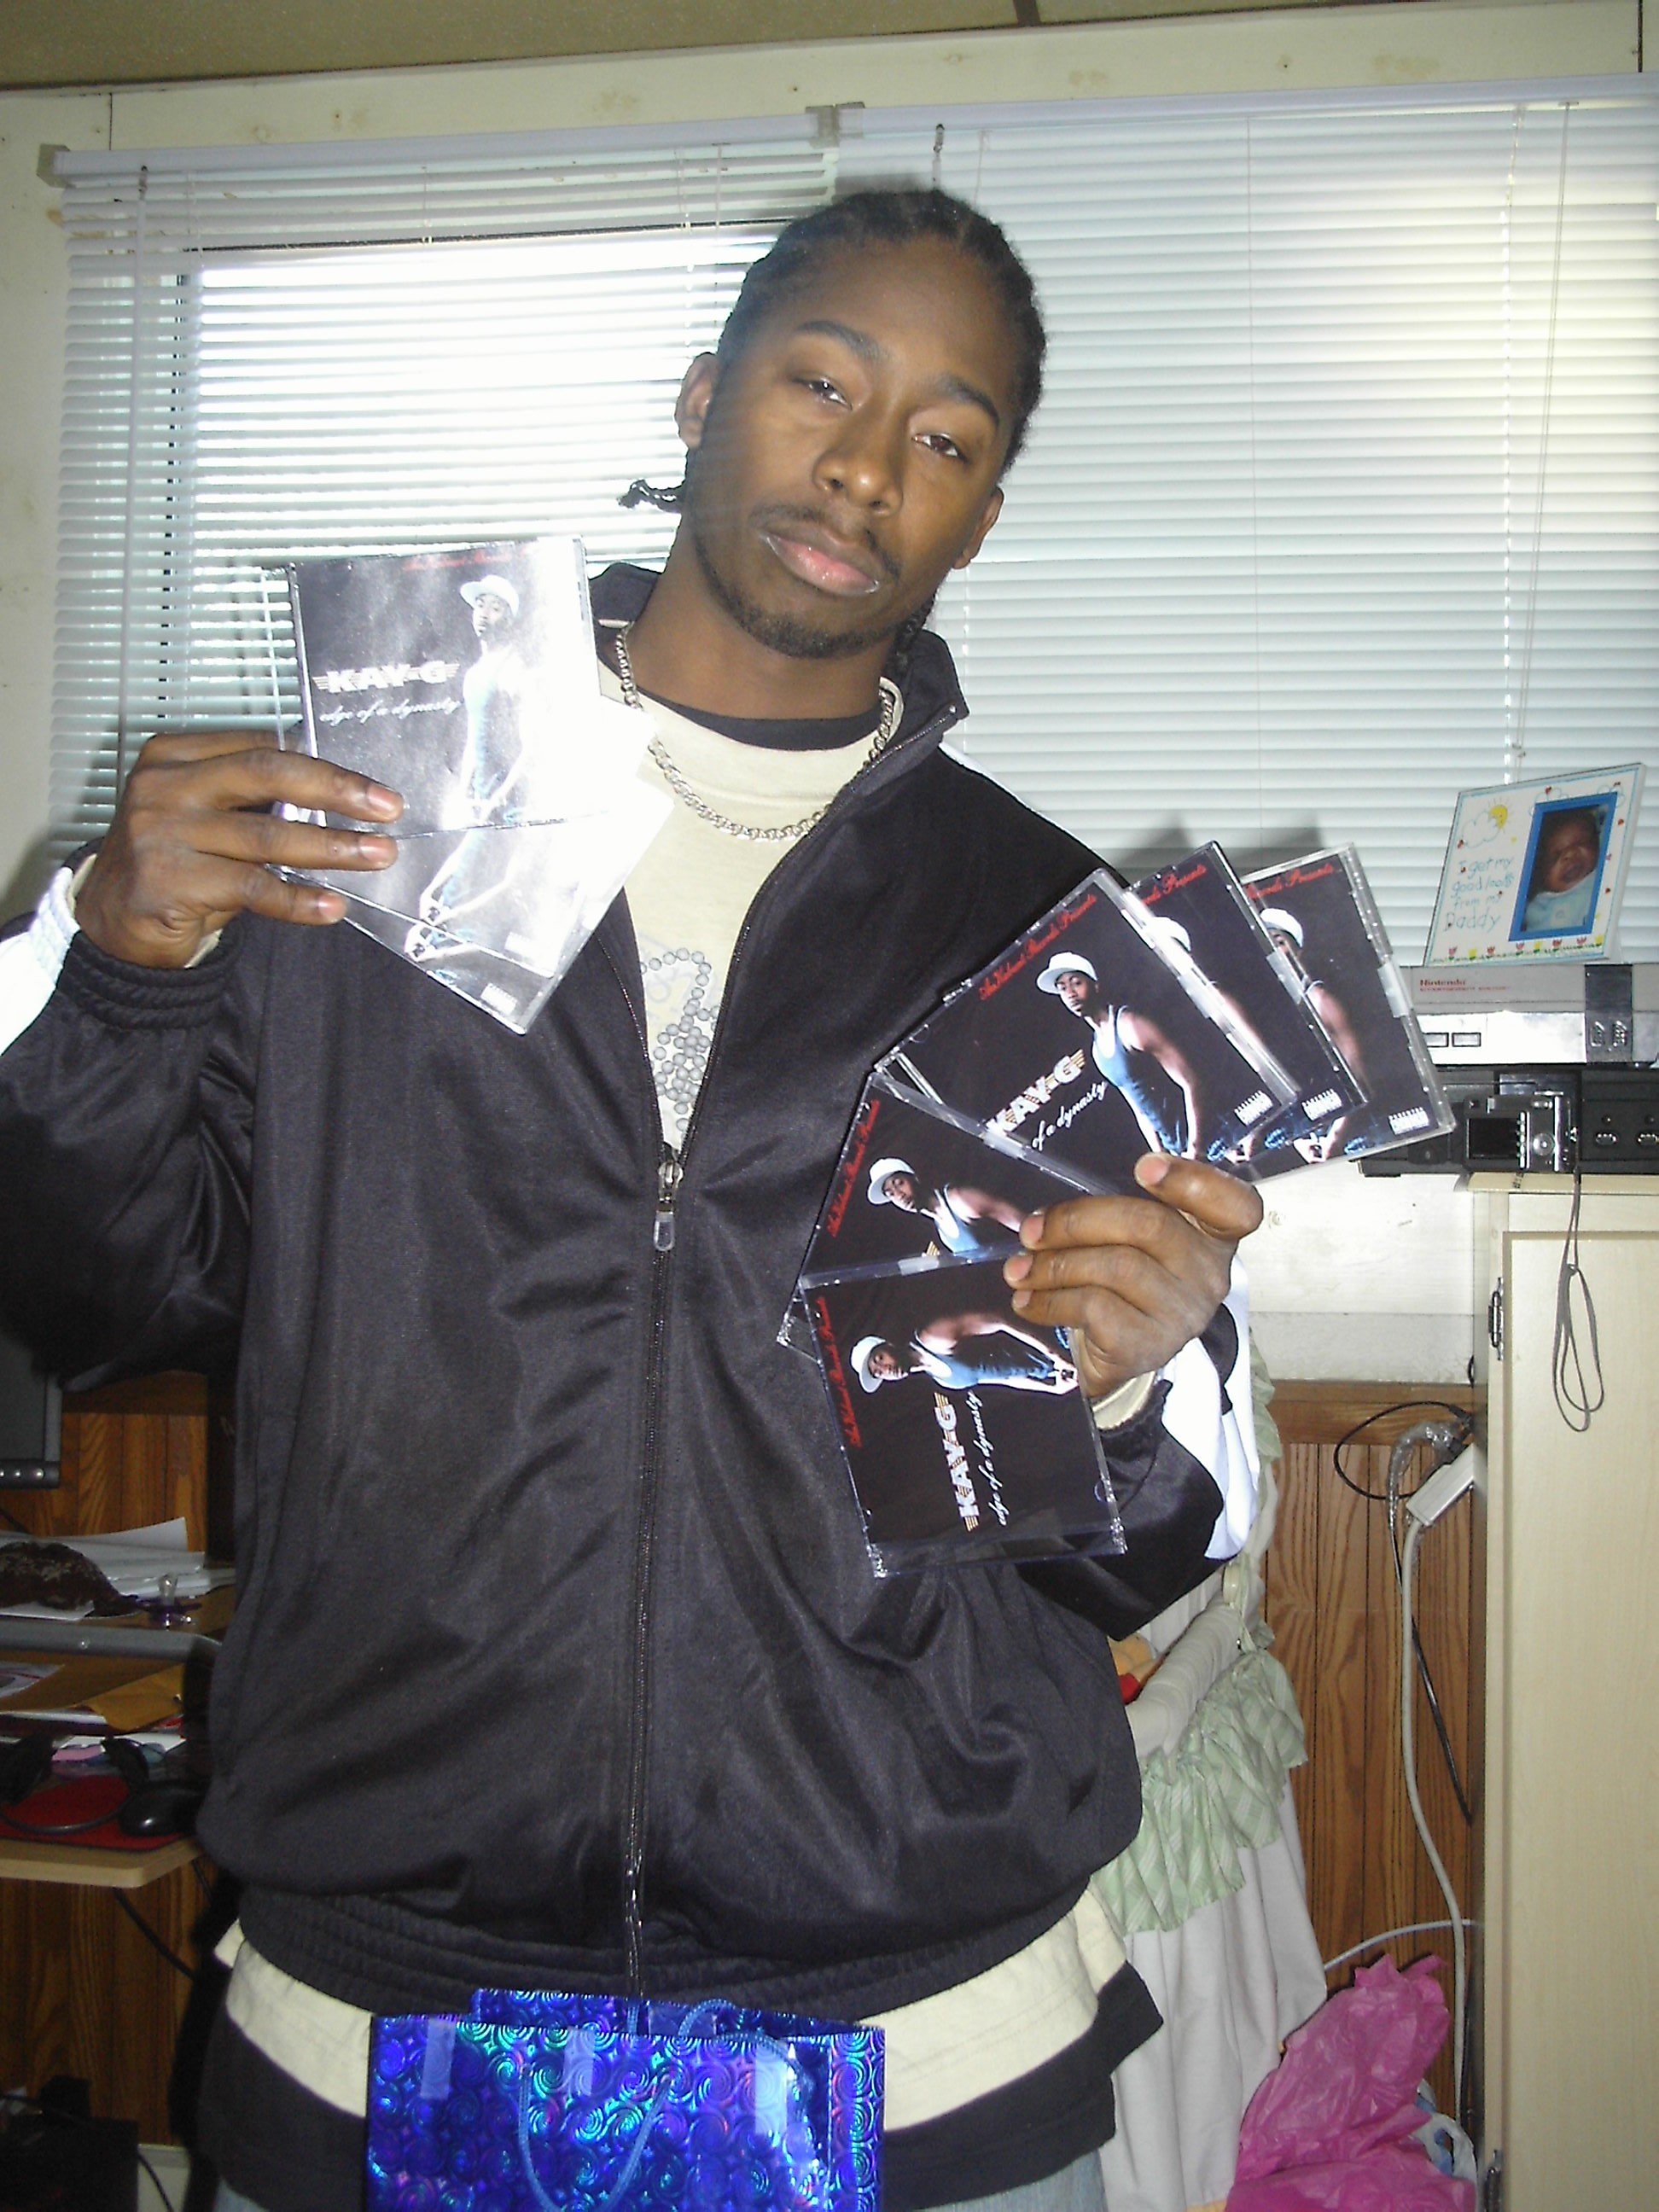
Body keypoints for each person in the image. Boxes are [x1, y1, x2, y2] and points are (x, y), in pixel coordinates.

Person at [0, 189, 1263, 2212]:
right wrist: (115, 970)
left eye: (945, 438)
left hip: (917, 2036)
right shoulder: (364, 831)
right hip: (379, 2009)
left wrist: (1129, 1383)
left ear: (979, 516)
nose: (866, 466)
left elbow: (1138, 1555)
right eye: (820, 384)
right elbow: (90, 1293)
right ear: (699, 399)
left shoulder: (1044, 932)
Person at [1035, 951, 1201, 1156]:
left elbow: (1192, 1082)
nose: (1070, 993)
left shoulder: (1130, 1025)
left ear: (1095, 985)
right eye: (1062, 988)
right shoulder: (1098, 1051)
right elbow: (1140, 1110)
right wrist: (1162, 1157)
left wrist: (1196, 1149)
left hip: (1213, 1143)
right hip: (1180, 1152)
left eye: (1076, 983)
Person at [852, 1312, 1078, 1396]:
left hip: (1059, 1333)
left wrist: (1055, 1353)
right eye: (878, 1373)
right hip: (1060, 1366)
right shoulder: (944, 1381)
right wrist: (1052, 1388)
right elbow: (1005, 1378)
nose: (885, 1370)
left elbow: (1000, 1320)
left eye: (879, 1359)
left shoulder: (931, 1337)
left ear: (888, 1345)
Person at [866, 1155, 1027, 1255]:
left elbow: (1027, 1226)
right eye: (890, 1193)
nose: (899, 1195)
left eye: (899, 1183)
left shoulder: (959, 1199)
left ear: (914, 1178)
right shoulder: (940, 1229)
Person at [1520, 805, 1604, 935]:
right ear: (1542, 876)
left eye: (1580, 843)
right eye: (1555, 857)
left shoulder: (1600, 879)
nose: (1569, 855)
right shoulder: (1537, 909)